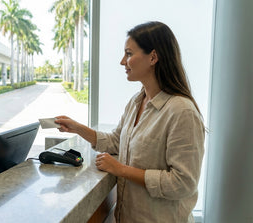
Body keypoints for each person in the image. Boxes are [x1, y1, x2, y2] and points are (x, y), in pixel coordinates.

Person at [55, 21, 205, 223]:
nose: (122, 62)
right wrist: (78, 128)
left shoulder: (182, 111)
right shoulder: (137, 101)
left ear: (153, 57)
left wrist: (120, 169)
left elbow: (183, 183)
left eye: (128, 54)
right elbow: (117, 142)